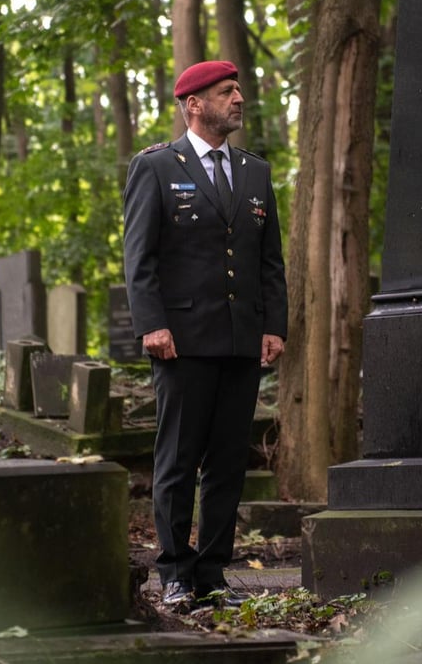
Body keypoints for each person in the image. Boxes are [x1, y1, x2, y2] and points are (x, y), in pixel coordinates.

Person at [123, 60, 288, 609]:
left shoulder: (255, 172)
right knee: (177, 459)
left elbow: (270, 262)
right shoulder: (155, 167)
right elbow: (139, 257)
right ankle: (173, 572)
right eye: (226, 91)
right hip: (182, 340)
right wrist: (152, 323)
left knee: (226, 463)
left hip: (242, 340)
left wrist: (274, 327)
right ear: (193, 104)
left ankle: (212, 573)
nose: (238, 98)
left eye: (238, 89)